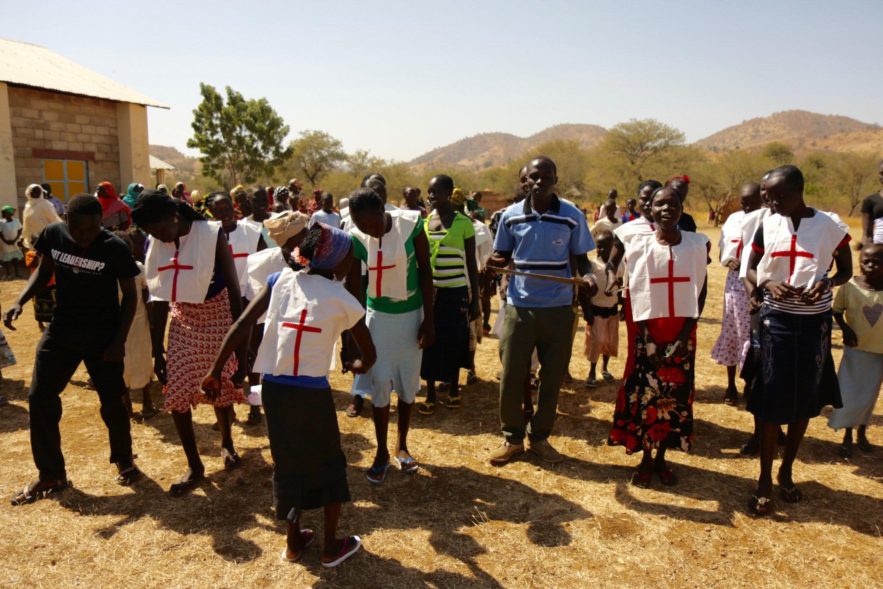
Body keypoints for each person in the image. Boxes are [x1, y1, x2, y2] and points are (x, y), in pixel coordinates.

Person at [204, 223, 374, 567]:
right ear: (337, 263)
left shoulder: (279, 280)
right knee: (328, 464)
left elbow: (241, 325)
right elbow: (368, 353)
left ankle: (294, 542)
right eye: (349, 260)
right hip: (312, 395)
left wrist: (214, 370)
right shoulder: (344, 299)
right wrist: (358, 365)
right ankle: (330, 547)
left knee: (287, 464)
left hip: (276, 391)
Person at [6, 195, 141, 505]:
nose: (87, 236)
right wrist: (19, 301)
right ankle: (51, 474)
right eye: (80, 230)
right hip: (62, 329)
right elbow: (43, 270)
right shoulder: (54, 235)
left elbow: (130, 296)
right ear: (67, 222)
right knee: (39, 397)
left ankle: (123, 458)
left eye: (94, 229)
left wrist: (119, 341)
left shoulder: (114, 247)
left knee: (112, 401)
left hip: (103, 336)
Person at [743, 165, 852, 516]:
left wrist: (828, 283)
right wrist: (765, 283)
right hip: (776, 322)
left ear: (798, 191)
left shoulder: (829, 226)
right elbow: (750, 269)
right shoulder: (767, 222)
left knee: (805, 398)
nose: (771, 203)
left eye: (778, 196)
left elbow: (845, 270)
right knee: (771, 398)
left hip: (814, 324)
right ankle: (763, 479)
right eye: (767, 196)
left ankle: (786, 471)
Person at [133, 189, 247, 496]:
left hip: (219, 314)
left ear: (174, 216)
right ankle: (194, 465)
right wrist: (158, 349)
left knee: (220, 386)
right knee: (179, 391)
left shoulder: (212, 234)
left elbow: (235, 291)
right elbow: (158, 296)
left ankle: (226, 443)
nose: (158, 237)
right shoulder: (155, 241)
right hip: (183, 318)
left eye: (159, 229)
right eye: (151, 233)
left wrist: (241, 350)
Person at [486, 156, 596, 466]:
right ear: (524, 182)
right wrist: (492, 265)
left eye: (546, 176)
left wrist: (588, 277)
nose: (539, 181)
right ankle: (512, 440)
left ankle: (540, 439)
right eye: (533, 177)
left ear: (555, 179)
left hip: (559, 310)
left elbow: (583, 260)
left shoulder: (572, 216)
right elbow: (502, 255)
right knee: (511, 376)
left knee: (551, 378)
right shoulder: (509, 217)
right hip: (519, 309)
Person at [608, 185, 709, 487]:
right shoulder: (638, 245)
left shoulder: (696, 244)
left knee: (674, 400)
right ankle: (645, 460)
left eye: (673, 204)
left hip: (682, 333)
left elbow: (700, 291)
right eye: (660, 204)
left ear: (682, 208)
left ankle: (662, 458)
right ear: (649, 210)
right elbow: (637, 293)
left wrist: (684, 334)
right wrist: (648, 338)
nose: (667, 209)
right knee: (647, 399)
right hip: (648, 334)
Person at [345, 187, 434, 482]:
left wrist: (429, 320)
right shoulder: (357, 237)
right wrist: (353, 336)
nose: (368, 230)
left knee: (408, 384)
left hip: (411, 316)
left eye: (371, 223)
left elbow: (425, 273)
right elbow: (355, 287)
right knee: (380, 382)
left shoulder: (411, 226)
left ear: (384, 210)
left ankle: (402, 445)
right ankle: (381, 451)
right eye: (361, 225)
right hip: (378, 318)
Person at [417, 180, 480, 414]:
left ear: (448, 192)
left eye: (436, 191)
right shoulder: (424, 223)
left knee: (455, 340)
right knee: (430, 341)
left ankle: (454, 389)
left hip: (456, 292)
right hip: (430, 293)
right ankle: (431, 393)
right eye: (429, 191)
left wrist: (475, 300)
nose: (431, 195)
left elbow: (471, 263)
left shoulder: (464, 223)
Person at [207, 192, 267, 424]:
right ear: (211, 212)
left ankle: (255, 406)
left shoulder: (251, 232)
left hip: (247, 300)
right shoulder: (208, 235)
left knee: (251, 356)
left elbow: (264, 259)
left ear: (233, 208)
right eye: (217, 209)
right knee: (223, 356)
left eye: (226, 207)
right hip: (219, 304)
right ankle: (226, 407)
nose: (223, 213)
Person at [828, 244, 883, 457]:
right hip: (855, 350)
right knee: (849, 394)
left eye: (876, 262)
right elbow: (837, 311)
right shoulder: (850, 287)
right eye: (865, 261)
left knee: (869, 395)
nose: (869, 266)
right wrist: (845, 329)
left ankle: (862, 432)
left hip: (879, 352)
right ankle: (847, 435)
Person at [711, 183, 762, 404]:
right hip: (733, 284)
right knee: (731, 332)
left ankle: (751, 385)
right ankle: (730, 385)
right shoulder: (732, 219)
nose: (747, 206)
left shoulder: (767, 219)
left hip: (757, 281)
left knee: (751, 336)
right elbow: (724, 250)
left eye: (752, 201)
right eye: (744, 201)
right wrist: (728, 260)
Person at [114, 229, 156, 420]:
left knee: (127, 361)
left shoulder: (138, 269)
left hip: (128, 324)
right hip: (136, 323)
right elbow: (148, 298)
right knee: (140, 359)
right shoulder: (138, 268)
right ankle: (144, 402)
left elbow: (148, 296)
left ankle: (130, 404)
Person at [584, 230, 621, 387]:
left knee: (610, 342)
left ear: (613, 247)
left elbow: (622, 287)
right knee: (596, 341)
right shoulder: (592, 266)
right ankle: (591, 371)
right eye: (598, 247)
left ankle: (604, 368)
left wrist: (623, 306)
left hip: (612, 310)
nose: (601, 250)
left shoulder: (620, 265)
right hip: (596, 310)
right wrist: (587, 311)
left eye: (605, 247)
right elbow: (584, 292)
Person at [22, 184, 62, 248]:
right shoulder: (28, 206)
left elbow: (54, 219)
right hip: (33, 239)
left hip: (45, 238)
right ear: (29, 193)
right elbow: (26, 223)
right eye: (33, 191)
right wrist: (24, 236)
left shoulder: (46, 204)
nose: (36, 193)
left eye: (38, 191)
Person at [859, 160, 883, 247]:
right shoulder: (870, 201)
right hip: (879, 251)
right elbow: (867, 234)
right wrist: (866, 251)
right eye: (881, 173)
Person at [0, 205, 25, 280]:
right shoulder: (1, 222)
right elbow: (0, 233)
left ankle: (17, 273)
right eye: (2, 213)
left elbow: (20, 230)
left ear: (9, 214)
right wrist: (5, 241)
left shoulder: (16, 221)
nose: (2, 215)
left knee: (15, 258)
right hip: (5, 243)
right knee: (7, 260)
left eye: (4, 213)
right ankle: (8, 273)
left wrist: (15, 240)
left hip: (14, 242)